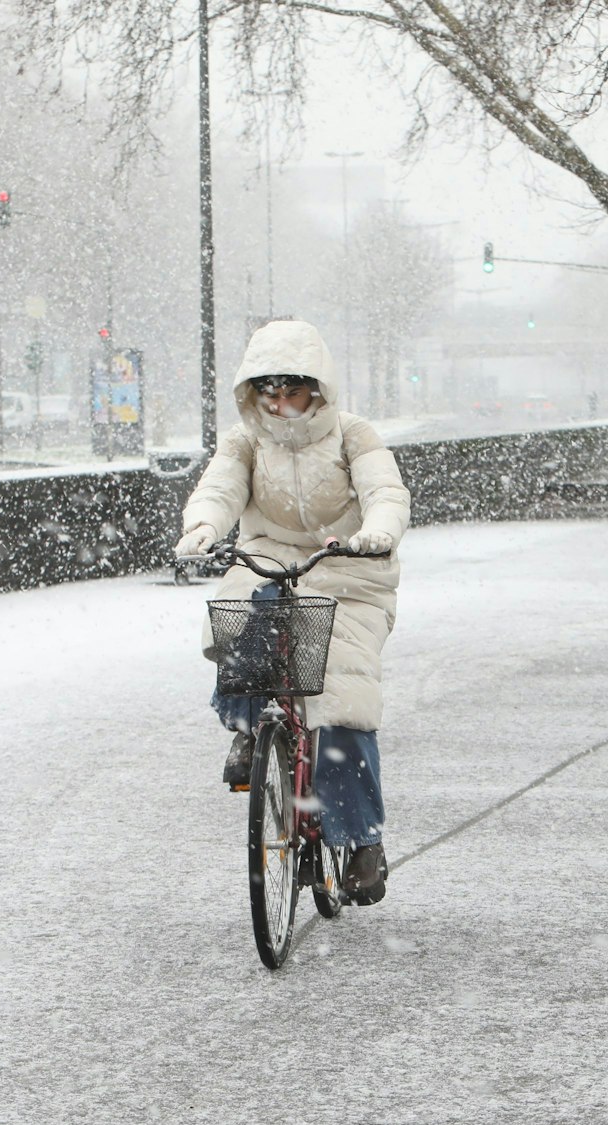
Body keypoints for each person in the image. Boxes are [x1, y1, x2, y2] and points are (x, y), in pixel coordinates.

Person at [173, 318, 411, 906]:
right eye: (268, 395)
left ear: (319, 388)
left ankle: (360, 841)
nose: (280, 408)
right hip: (270, 558)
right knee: (239, 612)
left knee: (340, 697)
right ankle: (248, 728)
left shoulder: (354, 436)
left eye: (292, 393)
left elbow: (385, 492)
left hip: (349, 571)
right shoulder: (245, 442)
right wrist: (203, 526)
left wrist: (376, 533)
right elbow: (221, 487)